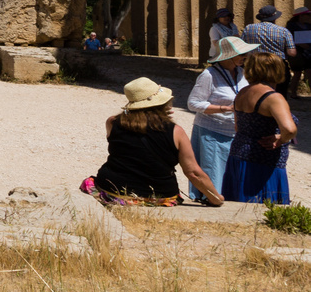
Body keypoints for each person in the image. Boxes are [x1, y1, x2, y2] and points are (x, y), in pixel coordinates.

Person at [80, 77, 223, 207]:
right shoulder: (175, 131)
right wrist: (216, 198)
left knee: (90, 182)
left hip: (112, 189)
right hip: (159, 195)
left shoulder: (112, 122)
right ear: (162, 104)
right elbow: (193, 172)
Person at [222, 50, 298, 203]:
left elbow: (238, 127)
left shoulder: (242, 93)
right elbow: (289, 129)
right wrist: (281, 139)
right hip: (264, 161)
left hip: (239, 155)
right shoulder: (273, 97)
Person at [186, 36, 254, 202]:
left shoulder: (241, 73)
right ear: (230, 56)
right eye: (241, 53)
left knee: (230, 171)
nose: (245, 56)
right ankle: (209, 199)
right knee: (213, 169)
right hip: (212, 132)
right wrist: (223, 109)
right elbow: (193, 104)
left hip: (235, 132)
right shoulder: (208, 75)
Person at [287, 7, 311, 95]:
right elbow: (289, 38)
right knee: (297, 73)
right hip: (297, 53)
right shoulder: (291, 26)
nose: (309, 16)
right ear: (300, 16)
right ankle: (293, 93)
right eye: (307, 14)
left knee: (310, 72)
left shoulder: (309, 25)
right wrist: (299, 44)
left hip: (308, 52)